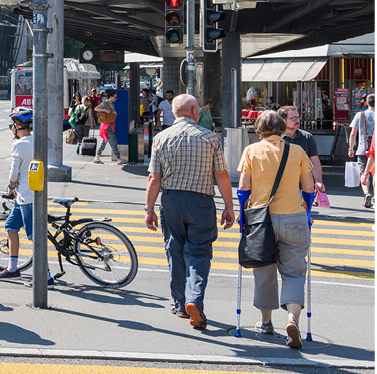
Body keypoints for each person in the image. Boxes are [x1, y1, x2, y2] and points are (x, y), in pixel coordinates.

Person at [144, 93, 237, 330]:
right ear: (195, 110)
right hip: (201, 202)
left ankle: (179, 303)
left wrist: (149, 209)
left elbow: (154, 178)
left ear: (174, 112)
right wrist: (229, 206)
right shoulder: (210, 138)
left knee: (174, 249)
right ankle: (195, 300)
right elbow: (222, 175)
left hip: (171, 200)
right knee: (199, 252)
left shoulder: (161, 138)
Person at [237, 111, 315, 349]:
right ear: (282, 129)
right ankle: (292, 319)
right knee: (294, 273)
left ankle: (266, 322)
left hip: (262, 220)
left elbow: (243, 189)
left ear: (258, 129)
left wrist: (243, 216)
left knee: (264, 271)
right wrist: (307, 213)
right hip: (293, 217)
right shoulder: (297, 151)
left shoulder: (251, 151)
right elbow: (309, 188)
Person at [0, 106, 55, 287]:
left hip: (28, 197)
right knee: (11, 226)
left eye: (12, 124)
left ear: (18, 126)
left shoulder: (19, 145)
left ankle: (46, 277)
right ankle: (13, 268)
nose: (11, 128)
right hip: (26, 196)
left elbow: (14, 173)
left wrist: (10, 187)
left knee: (35, 237)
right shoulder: (38, 140)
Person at [278, 106, 325, 201]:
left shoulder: (307, 137)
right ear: (283, 120)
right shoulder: (276, 138)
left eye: (298, 117)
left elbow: (314, 161)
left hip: (304, 185)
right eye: (293, 118)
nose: (297, 120)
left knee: (305, 213)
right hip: (281, 186)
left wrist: (318, 181)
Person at [348, 94, 374, 207]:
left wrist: (351, 148)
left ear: (367, 103)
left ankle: (367, 193)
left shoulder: (360, 115)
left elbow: (353, 133)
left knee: (364, 173)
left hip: (363, 148)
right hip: (375, 149)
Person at [94, 89, 125, 165]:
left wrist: (113, 113)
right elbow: (96, 108)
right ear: (110, 97)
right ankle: (118, 159)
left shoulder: (112, 104)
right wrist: (105, 110)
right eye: (115, 97)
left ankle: (97, 157)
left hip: (109, 125)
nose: (116, 99)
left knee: (104, 142)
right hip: (106, 126)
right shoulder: (105, 103)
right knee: (113, 142)